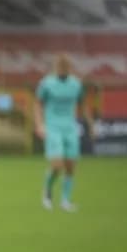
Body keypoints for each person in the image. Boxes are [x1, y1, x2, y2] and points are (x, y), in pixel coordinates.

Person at [36, 54, 93, 212]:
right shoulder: (47, 84)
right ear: (56, 68)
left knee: (70, 166)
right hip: (53, 127)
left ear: (69, 68)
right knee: (57, 165)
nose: (63, 69)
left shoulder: (76, 84)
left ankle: (65, 201)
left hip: (70, 128)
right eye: (60, 66)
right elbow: (38, 104)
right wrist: (40, 124)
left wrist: (90, 124)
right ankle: (47, 192)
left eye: (65, 66)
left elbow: (82, 104)